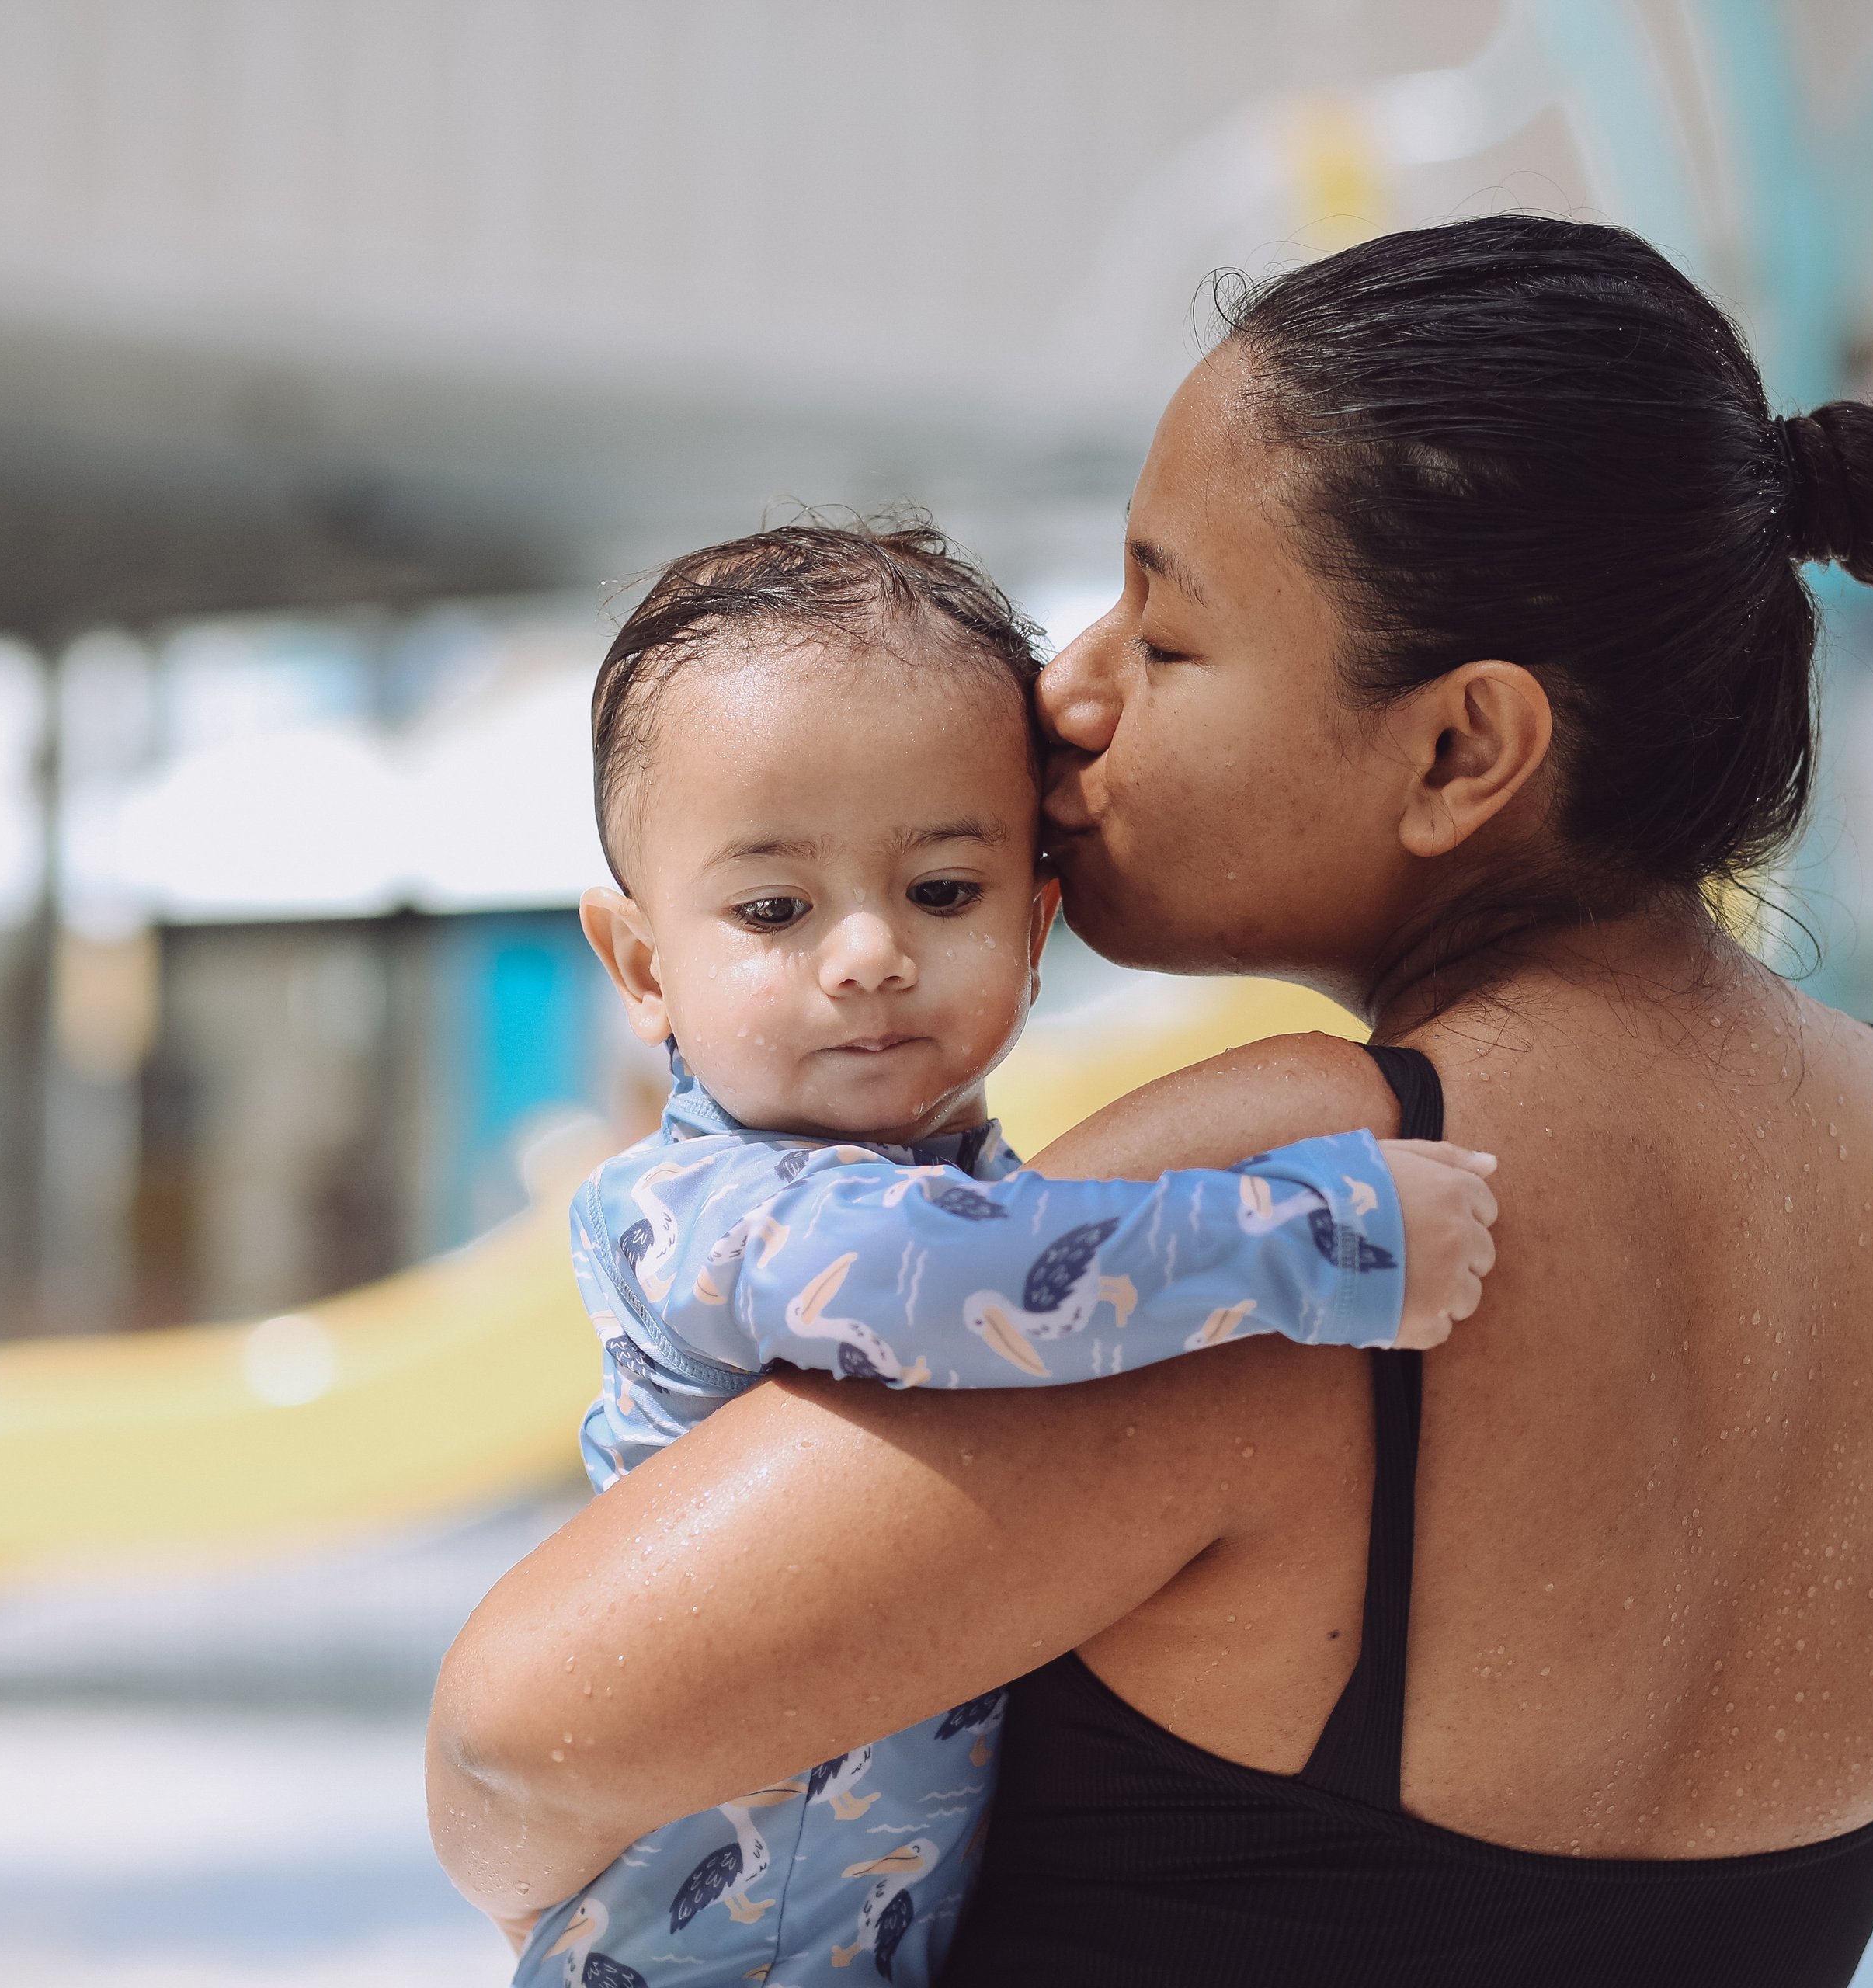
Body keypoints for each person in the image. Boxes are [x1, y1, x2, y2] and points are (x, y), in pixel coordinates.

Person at [430, 216, 1873, 1986]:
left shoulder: (1318, 1167)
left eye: (1166, 625)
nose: (1068, 690)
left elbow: (526, 1730)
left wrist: (565, 1899)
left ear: (1459, 749)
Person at [499, 520, 1503, 1986]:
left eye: (944, 893)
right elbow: (945, 1285)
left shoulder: (994, 1190)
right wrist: (1319, 1234)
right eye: (776, 909)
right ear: (646, 969)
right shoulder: (708, 1212)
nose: (869, 956)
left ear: (1037, 930)